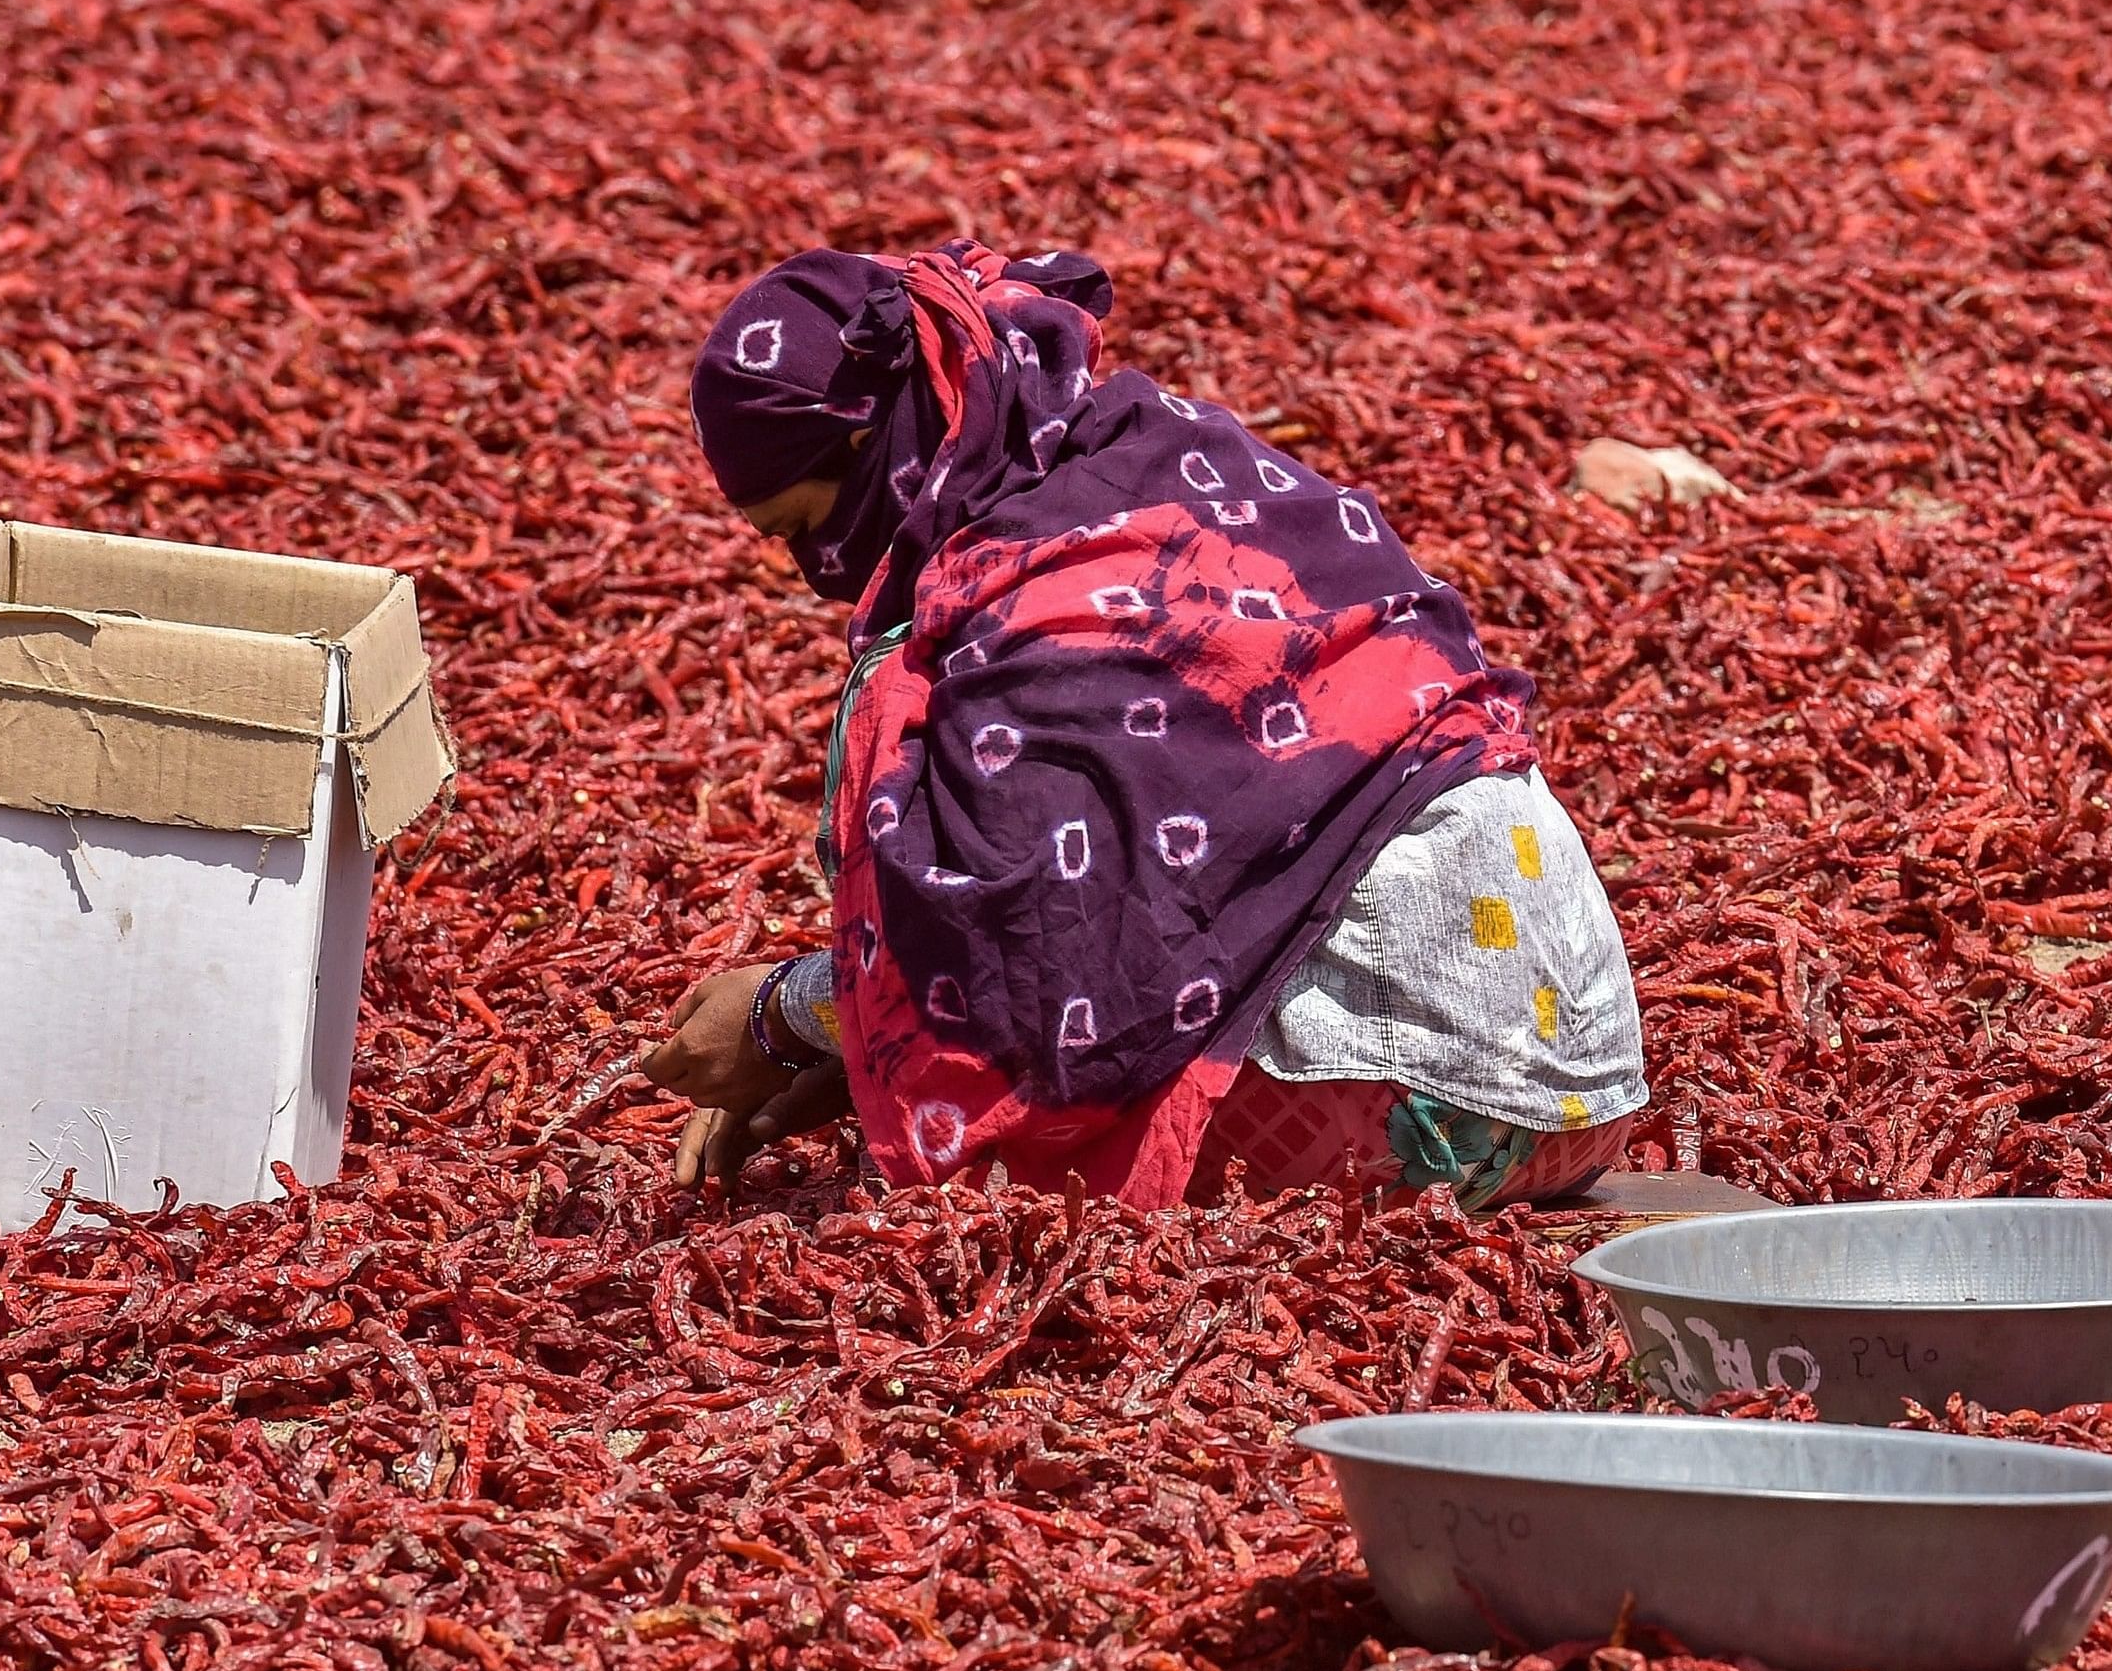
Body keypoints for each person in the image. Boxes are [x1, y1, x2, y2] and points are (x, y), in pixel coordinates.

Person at [637, 241, 1646, 1209]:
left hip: (1419, 1109)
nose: (810, 572)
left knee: (990, 1166)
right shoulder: (1156, 466)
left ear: (873, 445)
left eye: (805, 526)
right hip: (1585, 1089)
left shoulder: (1026, 587)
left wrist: (790, 1017)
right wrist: (864, 1053)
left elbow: (1034, 962)